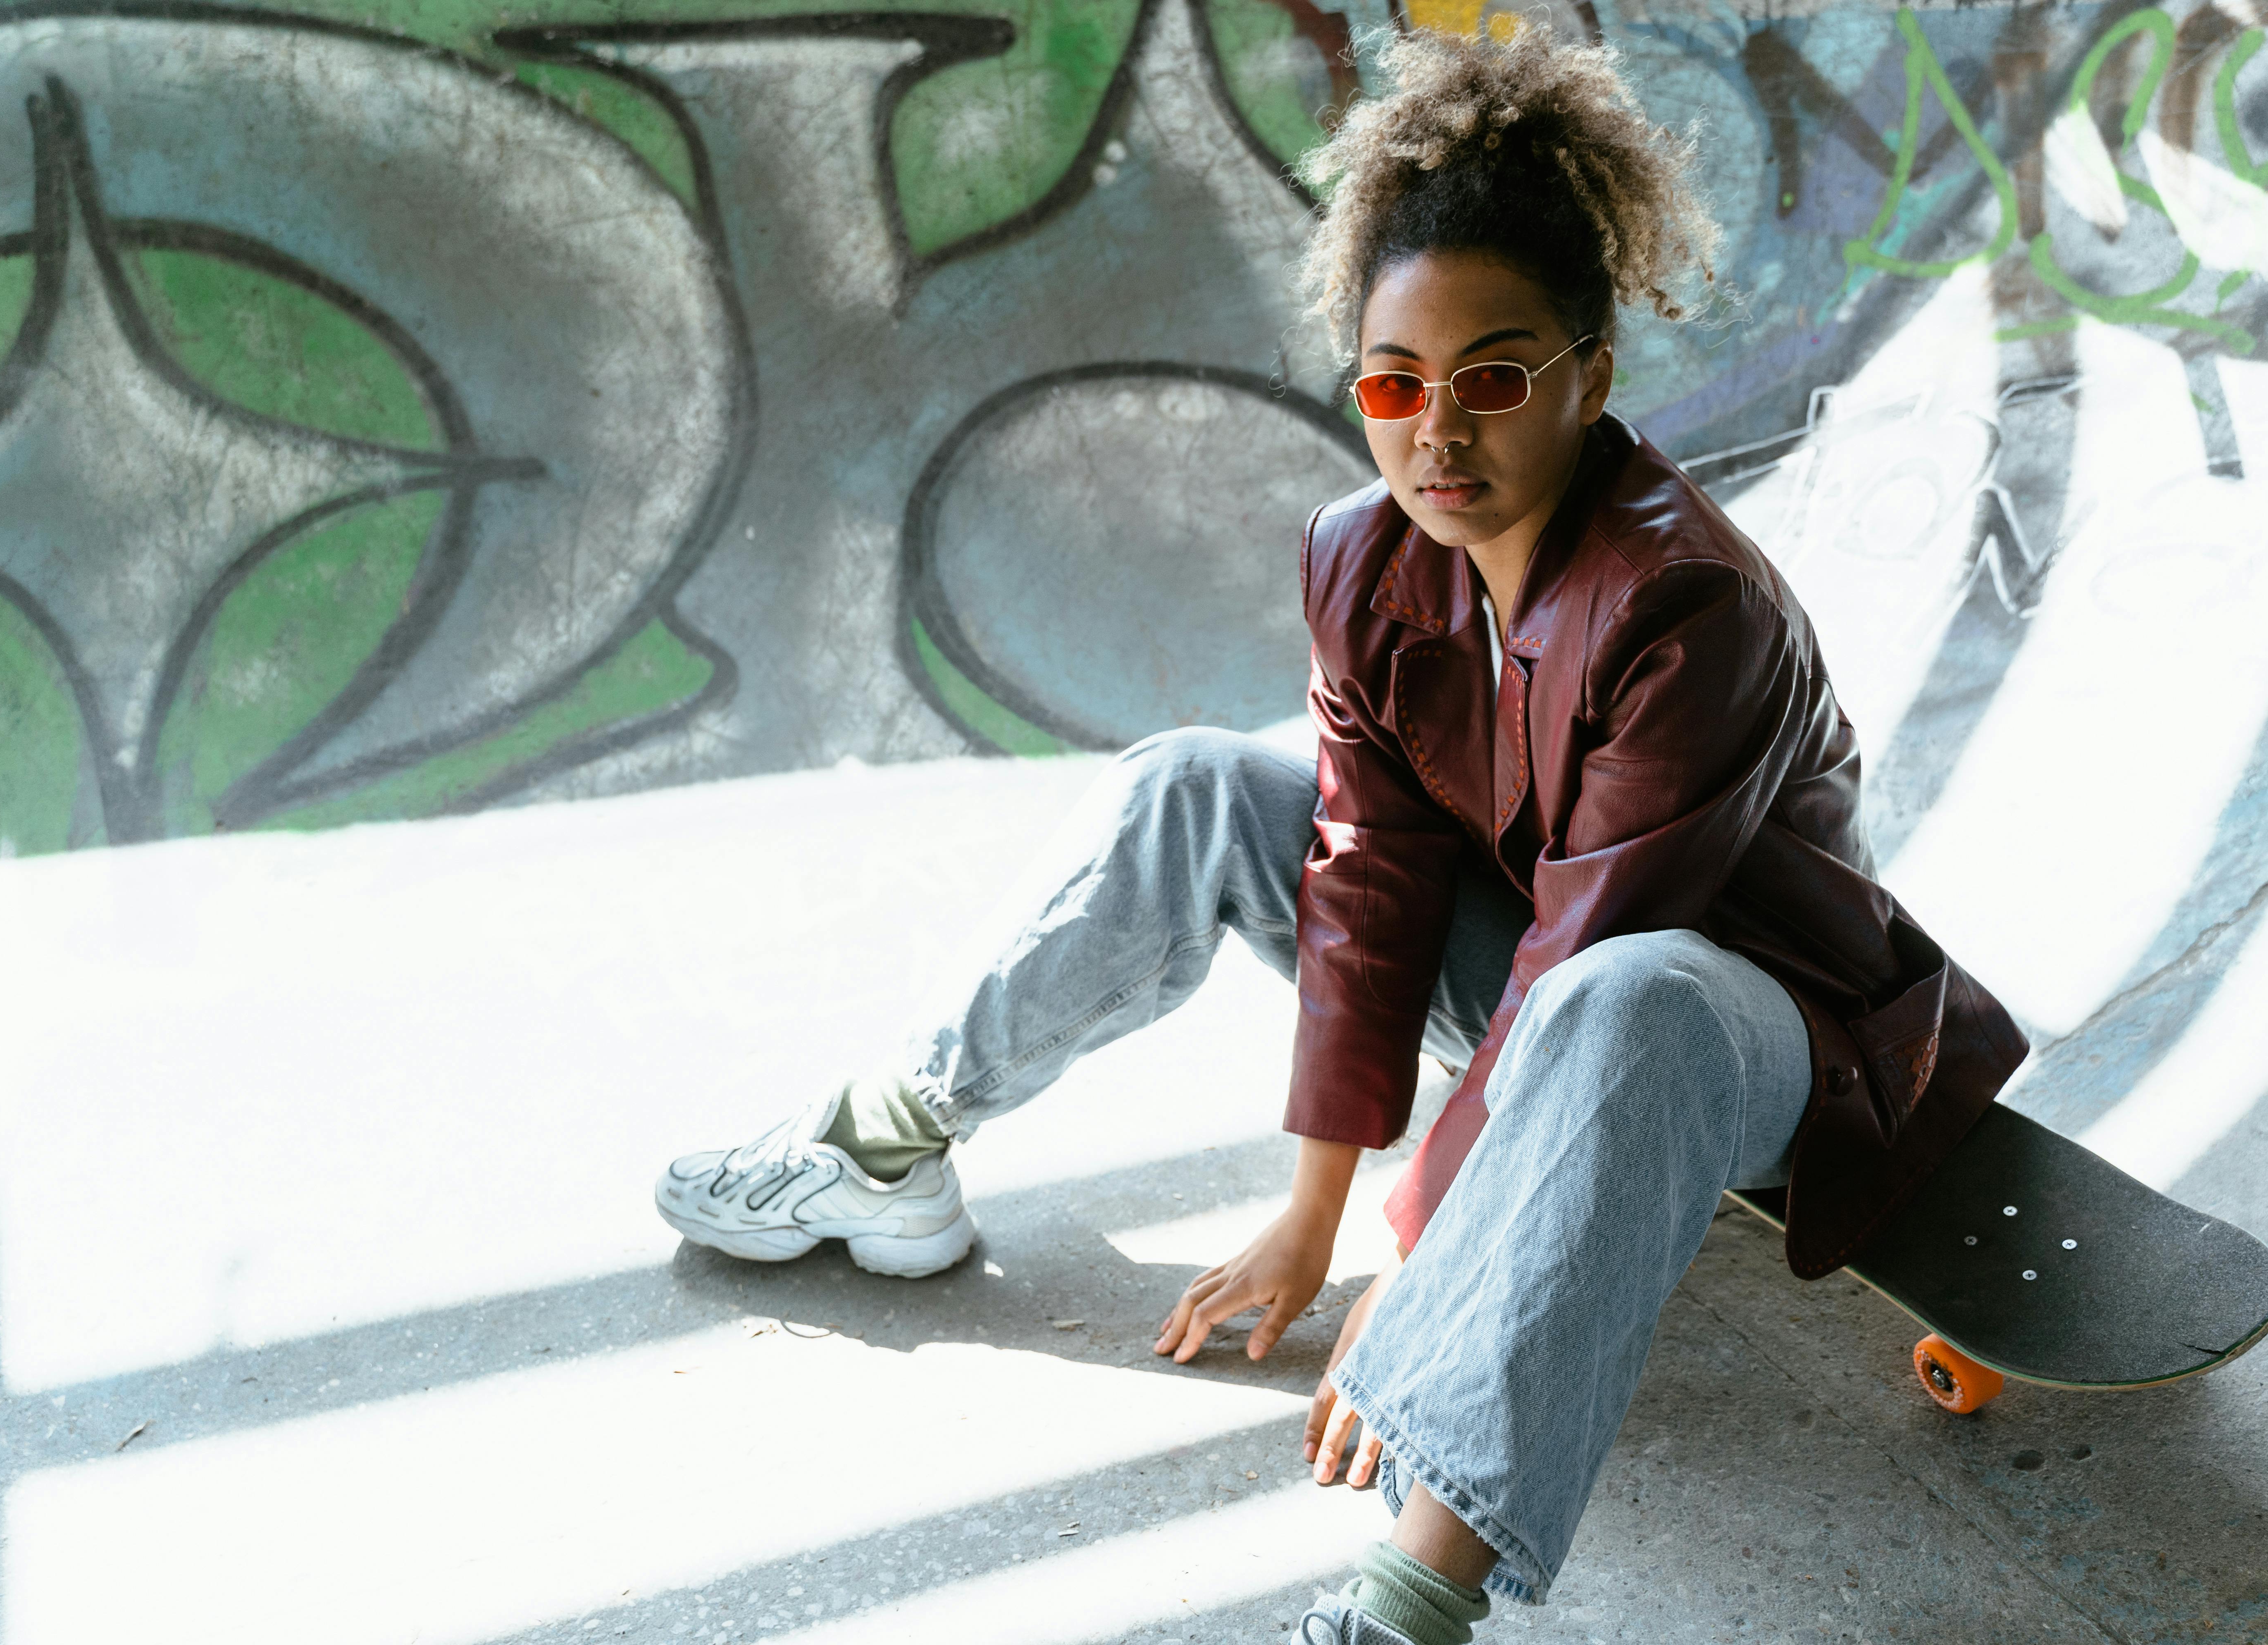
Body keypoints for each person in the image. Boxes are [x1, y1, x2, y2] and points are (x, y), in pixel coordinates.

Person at [654, 20, 2027, 1644]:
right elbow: (1367, 882)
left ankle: (1404, 1612)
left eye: (1496, 377)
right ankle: (886, 1142)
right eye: (1394, 384)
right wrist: (1313, 1215)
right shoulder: (1363, 560)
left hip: (1754, 1047)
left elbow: (1587, 953)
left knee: (1622, 996)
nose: (1436, 431)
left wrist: (1422, 1254)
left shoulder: (1691, 607)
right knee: (1202, 783)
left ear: (1592, 374)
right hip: (1537, 983)